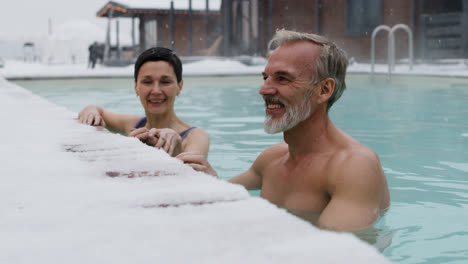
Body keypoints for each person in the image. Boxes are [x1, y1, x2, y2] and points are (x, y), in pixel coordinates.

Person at [177, 29, 390, 232]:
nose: (264, 90)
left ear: (324, 90)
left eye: (283, 78)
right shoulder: (272, 160)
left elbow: (335, 252)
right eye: (265, 78)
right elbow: (217, 197)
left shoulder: (354, 167)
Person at [78, 47, 209, 157]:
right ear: (136, 87)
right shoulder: (133, 124)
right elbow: (96, 110)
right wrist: (90, 111)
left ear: (179, 87)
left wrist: (176, 150)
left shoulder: (195, 137)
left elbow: (193, 178)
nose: (156, 90)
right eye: (147, 82)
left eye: (165, 82)